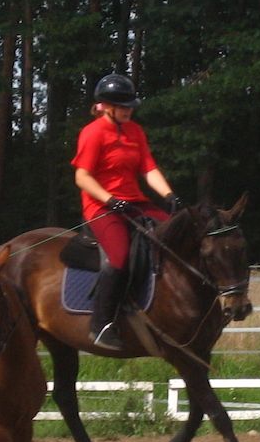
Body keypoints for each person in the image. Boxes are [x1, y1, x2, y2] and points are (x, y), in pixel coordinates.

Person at [71, 73, 182, 350]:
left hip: (135, 201)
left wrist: (169, 196)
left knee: (177, 234)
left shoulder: (135, 131)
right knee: (119, 257)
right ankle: (101, 323)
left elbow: (148, 168)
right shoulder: (93, 133)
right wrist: (110, 200)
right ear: (106, 106)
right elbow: (82, 177)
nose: (130, 110)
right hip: (101, 205)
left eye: (131, 106)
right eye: (124, 106)